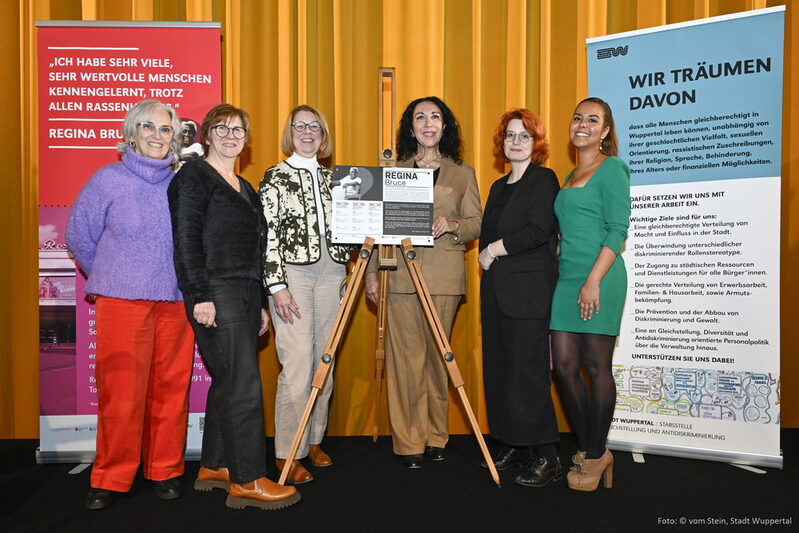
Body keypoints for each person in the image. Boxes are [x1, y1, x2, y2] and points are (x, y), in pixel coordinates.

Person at [168, 104, 299, 510]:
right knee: (243, 382)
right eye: (221, 128)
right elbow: (186, 239)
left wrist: (260, 302)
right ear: (206, 134)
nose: (230, 135)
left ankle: (215, 465)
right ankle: (248, 479)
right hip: (214, 288)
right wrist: (200, 295)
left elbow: (254, 250)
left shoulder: (244, 186)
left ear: (246, 138)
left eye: (238, 129)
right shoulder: (192, 176)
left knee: (229, 378)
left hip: (244, 289)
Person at [66, 99, 195, 510]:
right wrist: (111, 274)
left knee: (171, 390)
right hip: (121, 302)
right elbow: (78, 235)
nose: (158, 136)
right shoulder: (106, 179)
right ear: (132, 133)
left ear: (175, 138)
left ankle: (166, 468)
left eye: (166, 129)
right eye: (149, 128)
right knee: (120, 392)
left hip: (175, 301)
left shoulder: (184, 182)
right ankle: (111, 476)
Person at [365, 96, 482, 468]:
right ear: (410, 126)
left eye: (435, 117)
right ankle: (409, 442)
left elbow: (477, 222)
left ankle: (436, 436)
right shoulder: (391, 170)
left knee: (437, 360)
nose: (428, 123)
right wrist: (370, 273)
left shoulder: (463, 173)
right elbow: (373, 227)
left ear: (445, 126)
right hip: (398, 277)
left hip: (444, 278)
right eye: (420, 117)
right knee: (404, 362)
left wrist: (453, 225)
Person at [259, 105, 351, 484]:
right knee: (297, 365)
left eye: (315, 127)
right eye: (301, 126)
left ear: (324, 135)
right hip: (292, 276)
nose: (308, 132)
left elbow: (351, 230)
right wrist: (276, 287)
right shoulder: (274, 177)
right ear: (290, 132)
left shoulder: (339, 181)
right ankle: (287, 451)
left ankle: (313, 439)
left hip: (333, 274)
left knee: (323, 362)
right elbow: (266, 235)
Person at [550, 97, 630, 491]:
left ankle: (595, 455)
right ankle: (592, 447)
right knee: (564, 367)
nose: (582, 124)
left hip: (600, 278)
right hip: (567, 280)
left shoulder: (612, 168)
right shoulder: (569, 176)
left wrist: (593, 280)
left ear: (604, 131)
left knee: (596, 367)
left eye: (592, 120)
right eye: (577, 116)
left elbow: (617, 230)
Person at [477, 109, 561, 487]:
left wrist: (494, 249)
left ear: (536, 143)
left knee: (528, 374)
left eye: (524, 136)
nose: (515, 141)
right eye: (510, 135)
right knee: (501, 370)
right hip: (495, 292)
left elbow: (539, 230)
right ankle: (514, 443)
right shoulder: (498, 186)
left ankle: (547, 455)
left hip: (530, 294)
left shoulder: (544, 179)